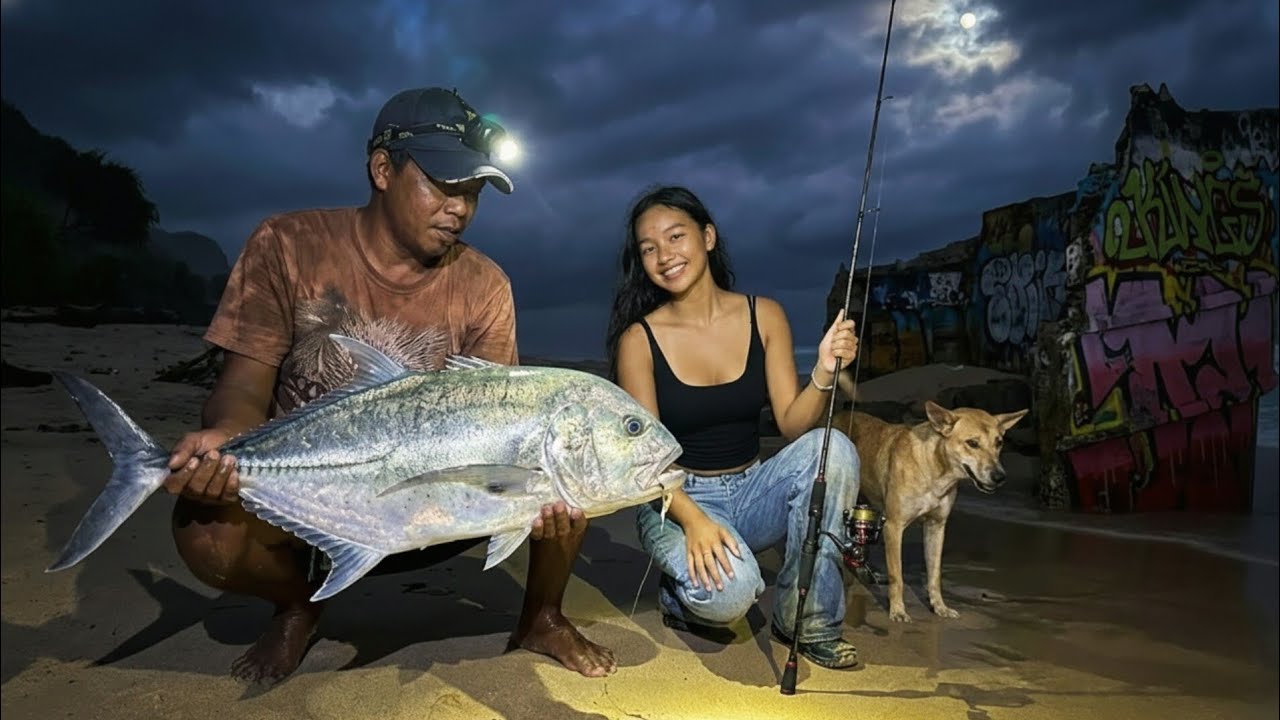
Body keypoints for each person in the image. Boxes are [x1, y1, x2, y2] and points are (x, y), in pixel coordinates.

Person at [161, 86, 617, 685]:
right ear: (383, 169)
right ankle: (301, 601)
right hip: (312, 505)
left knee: (560, 473)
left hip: (441, 511)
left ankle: (541, 616)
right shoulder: (288, 246)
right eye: (444, 184)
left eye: (473, 192)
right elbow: (242, 386)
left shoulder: (485, 286)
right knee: (208, 536)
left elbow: (506, 421)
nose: (460, 208)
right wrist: (226, 438)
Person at [605, 185, 863, 669]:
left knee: (835, 448)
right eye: (648, 249)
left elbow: (792, 424)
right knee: (732, 598)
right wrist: (695, 520)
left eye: (676, 237)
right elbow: (645, 461)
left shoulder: (764, 315)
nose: (664, 256)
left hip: (752, 488)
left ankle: (807, 620)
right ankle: (678, 596)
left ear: (707, 236)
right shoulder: (637, 340)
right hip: (674, 501)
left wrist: (825, 371)